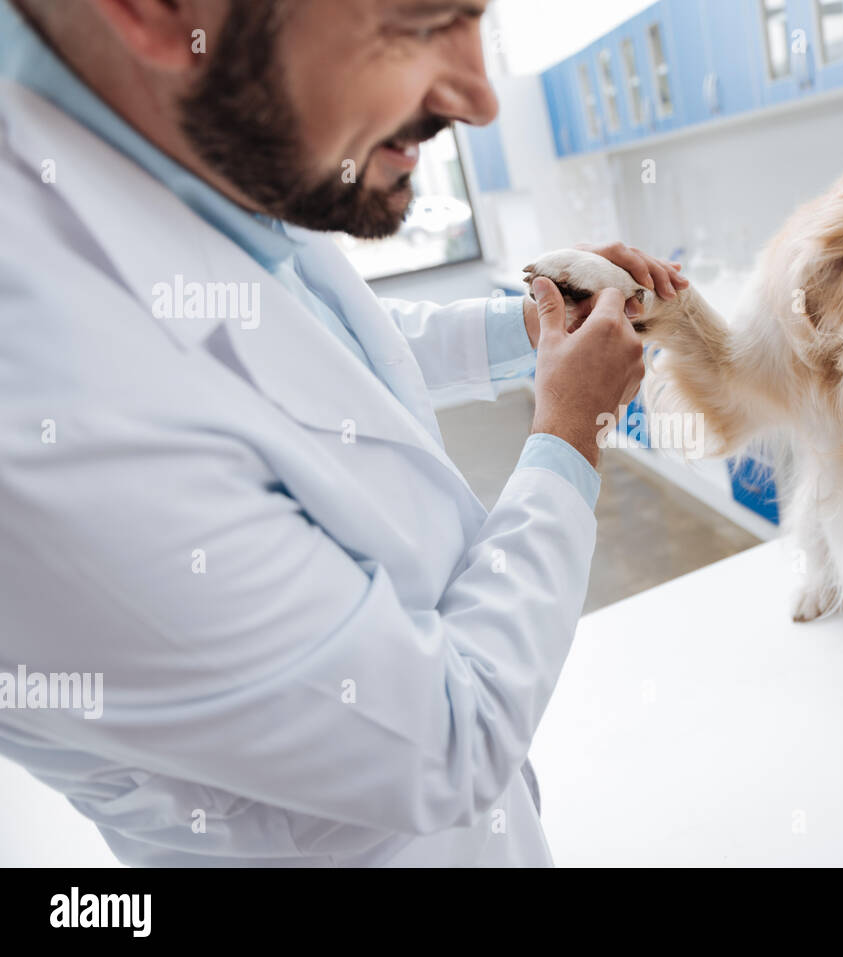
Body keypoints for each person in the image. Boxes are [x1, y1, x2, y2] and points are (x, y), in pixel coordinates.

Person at [0, 0, 687, 866]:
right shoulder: (46, 415)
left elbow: (325, 354)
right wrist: (570, 431)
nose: (482, 99)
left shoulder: (191, 158)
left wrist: (538, 330)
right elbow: (446, 736)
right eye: (423, 18)